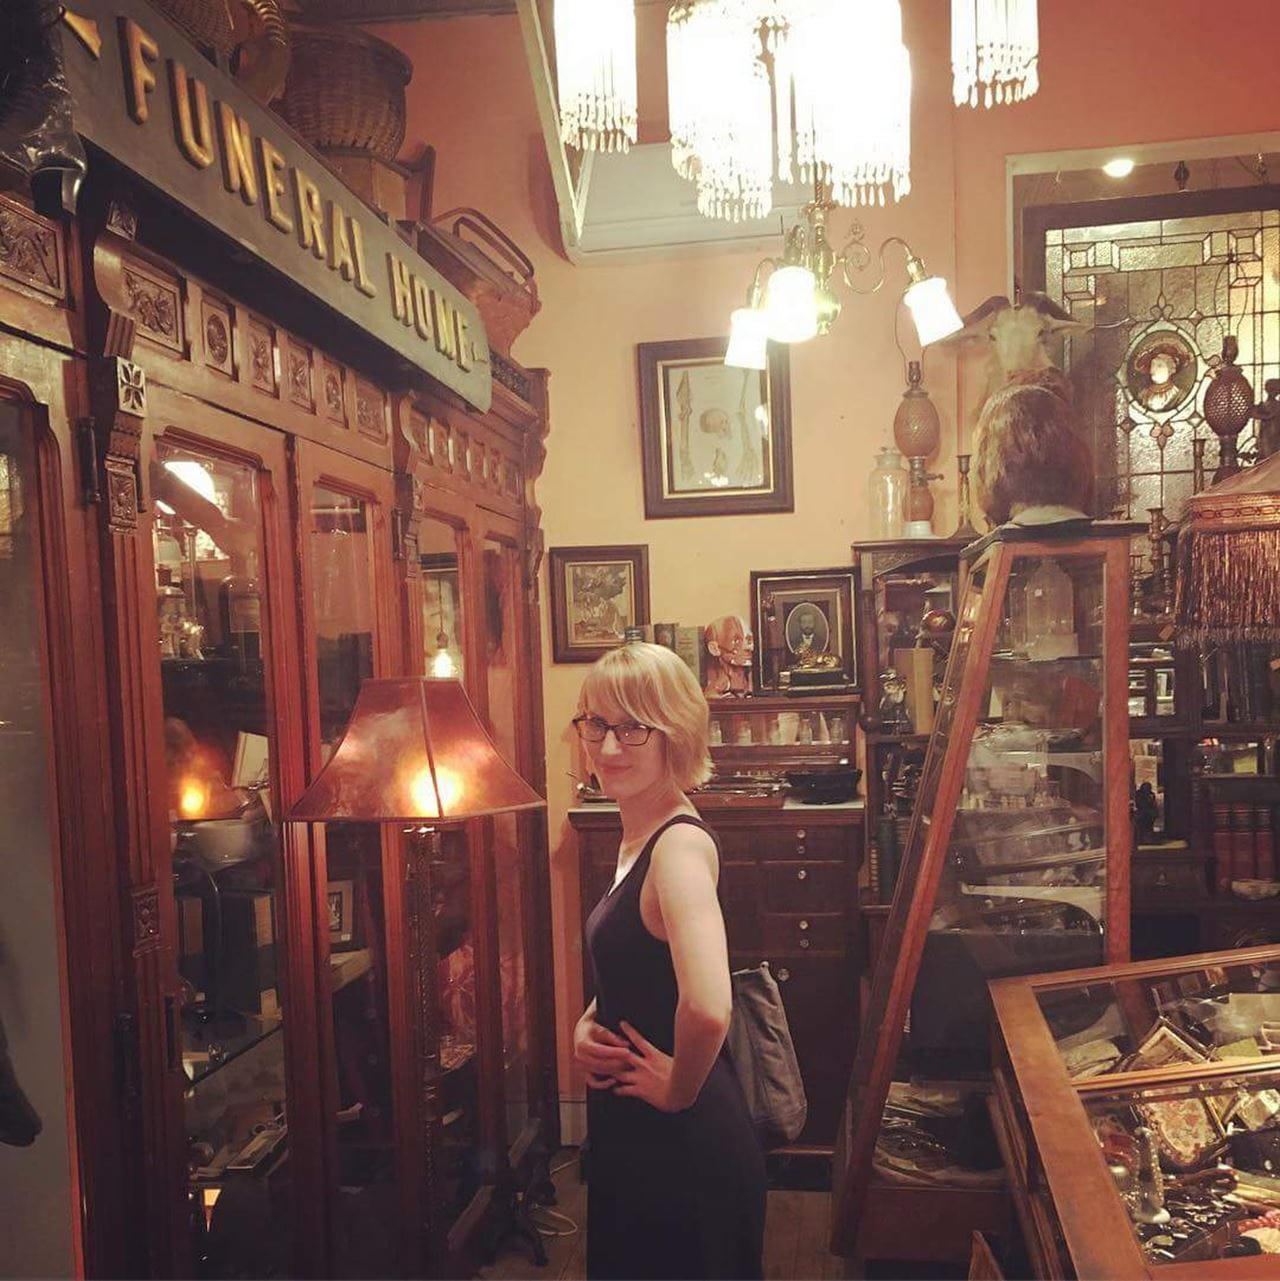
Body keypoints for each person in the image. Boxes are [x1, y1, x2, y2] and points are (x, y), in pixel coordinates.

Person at [573, 643, 765, 1280]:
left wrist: (678, 1091)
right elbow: (642, 966)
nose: (607, 748)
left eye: (633, 729)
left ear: (674, 737)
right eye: (596, 724)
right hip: (643, 1132)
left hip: (679, 1143)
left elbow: (709, 1006)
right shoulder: (637, 835)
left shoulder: (677, 847)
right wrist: (590, 1020)